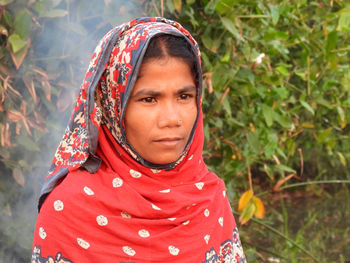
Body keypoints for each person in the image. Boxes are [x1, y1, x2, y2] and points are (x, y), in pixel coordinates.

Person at [32, 17, 246, 263]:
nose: (172, 119)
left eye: (184, 96)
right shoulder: (69, 209)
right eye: (149, 99)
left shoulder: (208, 197)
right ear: (112, 106)